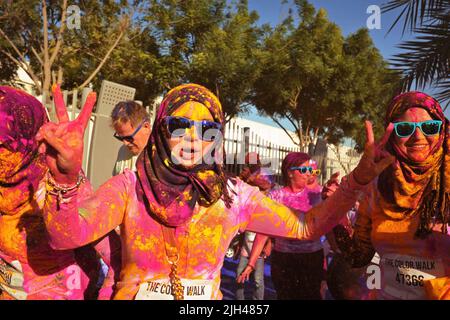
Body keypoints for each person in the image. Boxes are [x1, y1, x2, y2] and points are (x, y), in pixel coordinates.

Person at [36, 83, 393, 300]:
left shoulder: (232, 197)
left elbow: (306, 226)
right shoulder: (131, 187)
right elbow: (63, 235)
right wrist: (66, 178)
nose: (194, 139)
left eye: (207, 129)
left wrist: (357, 181)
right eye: (180, 126)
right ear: (161, 128)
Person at [324, 91, 449, 300]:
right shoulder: (377, 187)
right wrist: (335, 206)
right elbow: (358, 256)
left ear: (442, 130)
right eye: (405, 128)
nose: (418, 136)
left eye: (429, 127)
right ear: (392, 135)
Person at [0, 86, 117, 300]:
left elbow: (118, 260)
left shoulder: (60, 185)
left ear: (25, 141)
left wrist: (107, 294)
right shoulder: (6, 189)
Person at [238, 153, 326, 299]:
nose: (308, 174)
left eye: (310, 170)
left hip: (312, 258)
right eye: (303, 170)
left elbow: (329, 227)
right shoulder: (275, 197)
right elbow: (263, 233)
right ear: (290, 173)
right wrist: (251, 263)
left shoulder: (317, 195)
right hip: (284, 260)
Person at [235, 159, 274, 300]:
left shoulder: (268, 200)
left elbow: (269, 227)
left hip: (259, 251)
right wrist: (239, 243)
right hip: (246, 248)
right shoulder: (249, 197)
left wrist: (269, 243)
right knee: (239, 275)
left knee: (258, 281)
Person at [111, 101, 151, 175]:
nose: (125, 143)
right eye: (121, 138)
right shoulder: (123, 151)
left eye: (129, 138)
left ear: (146, 127)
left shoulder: (161, 156)